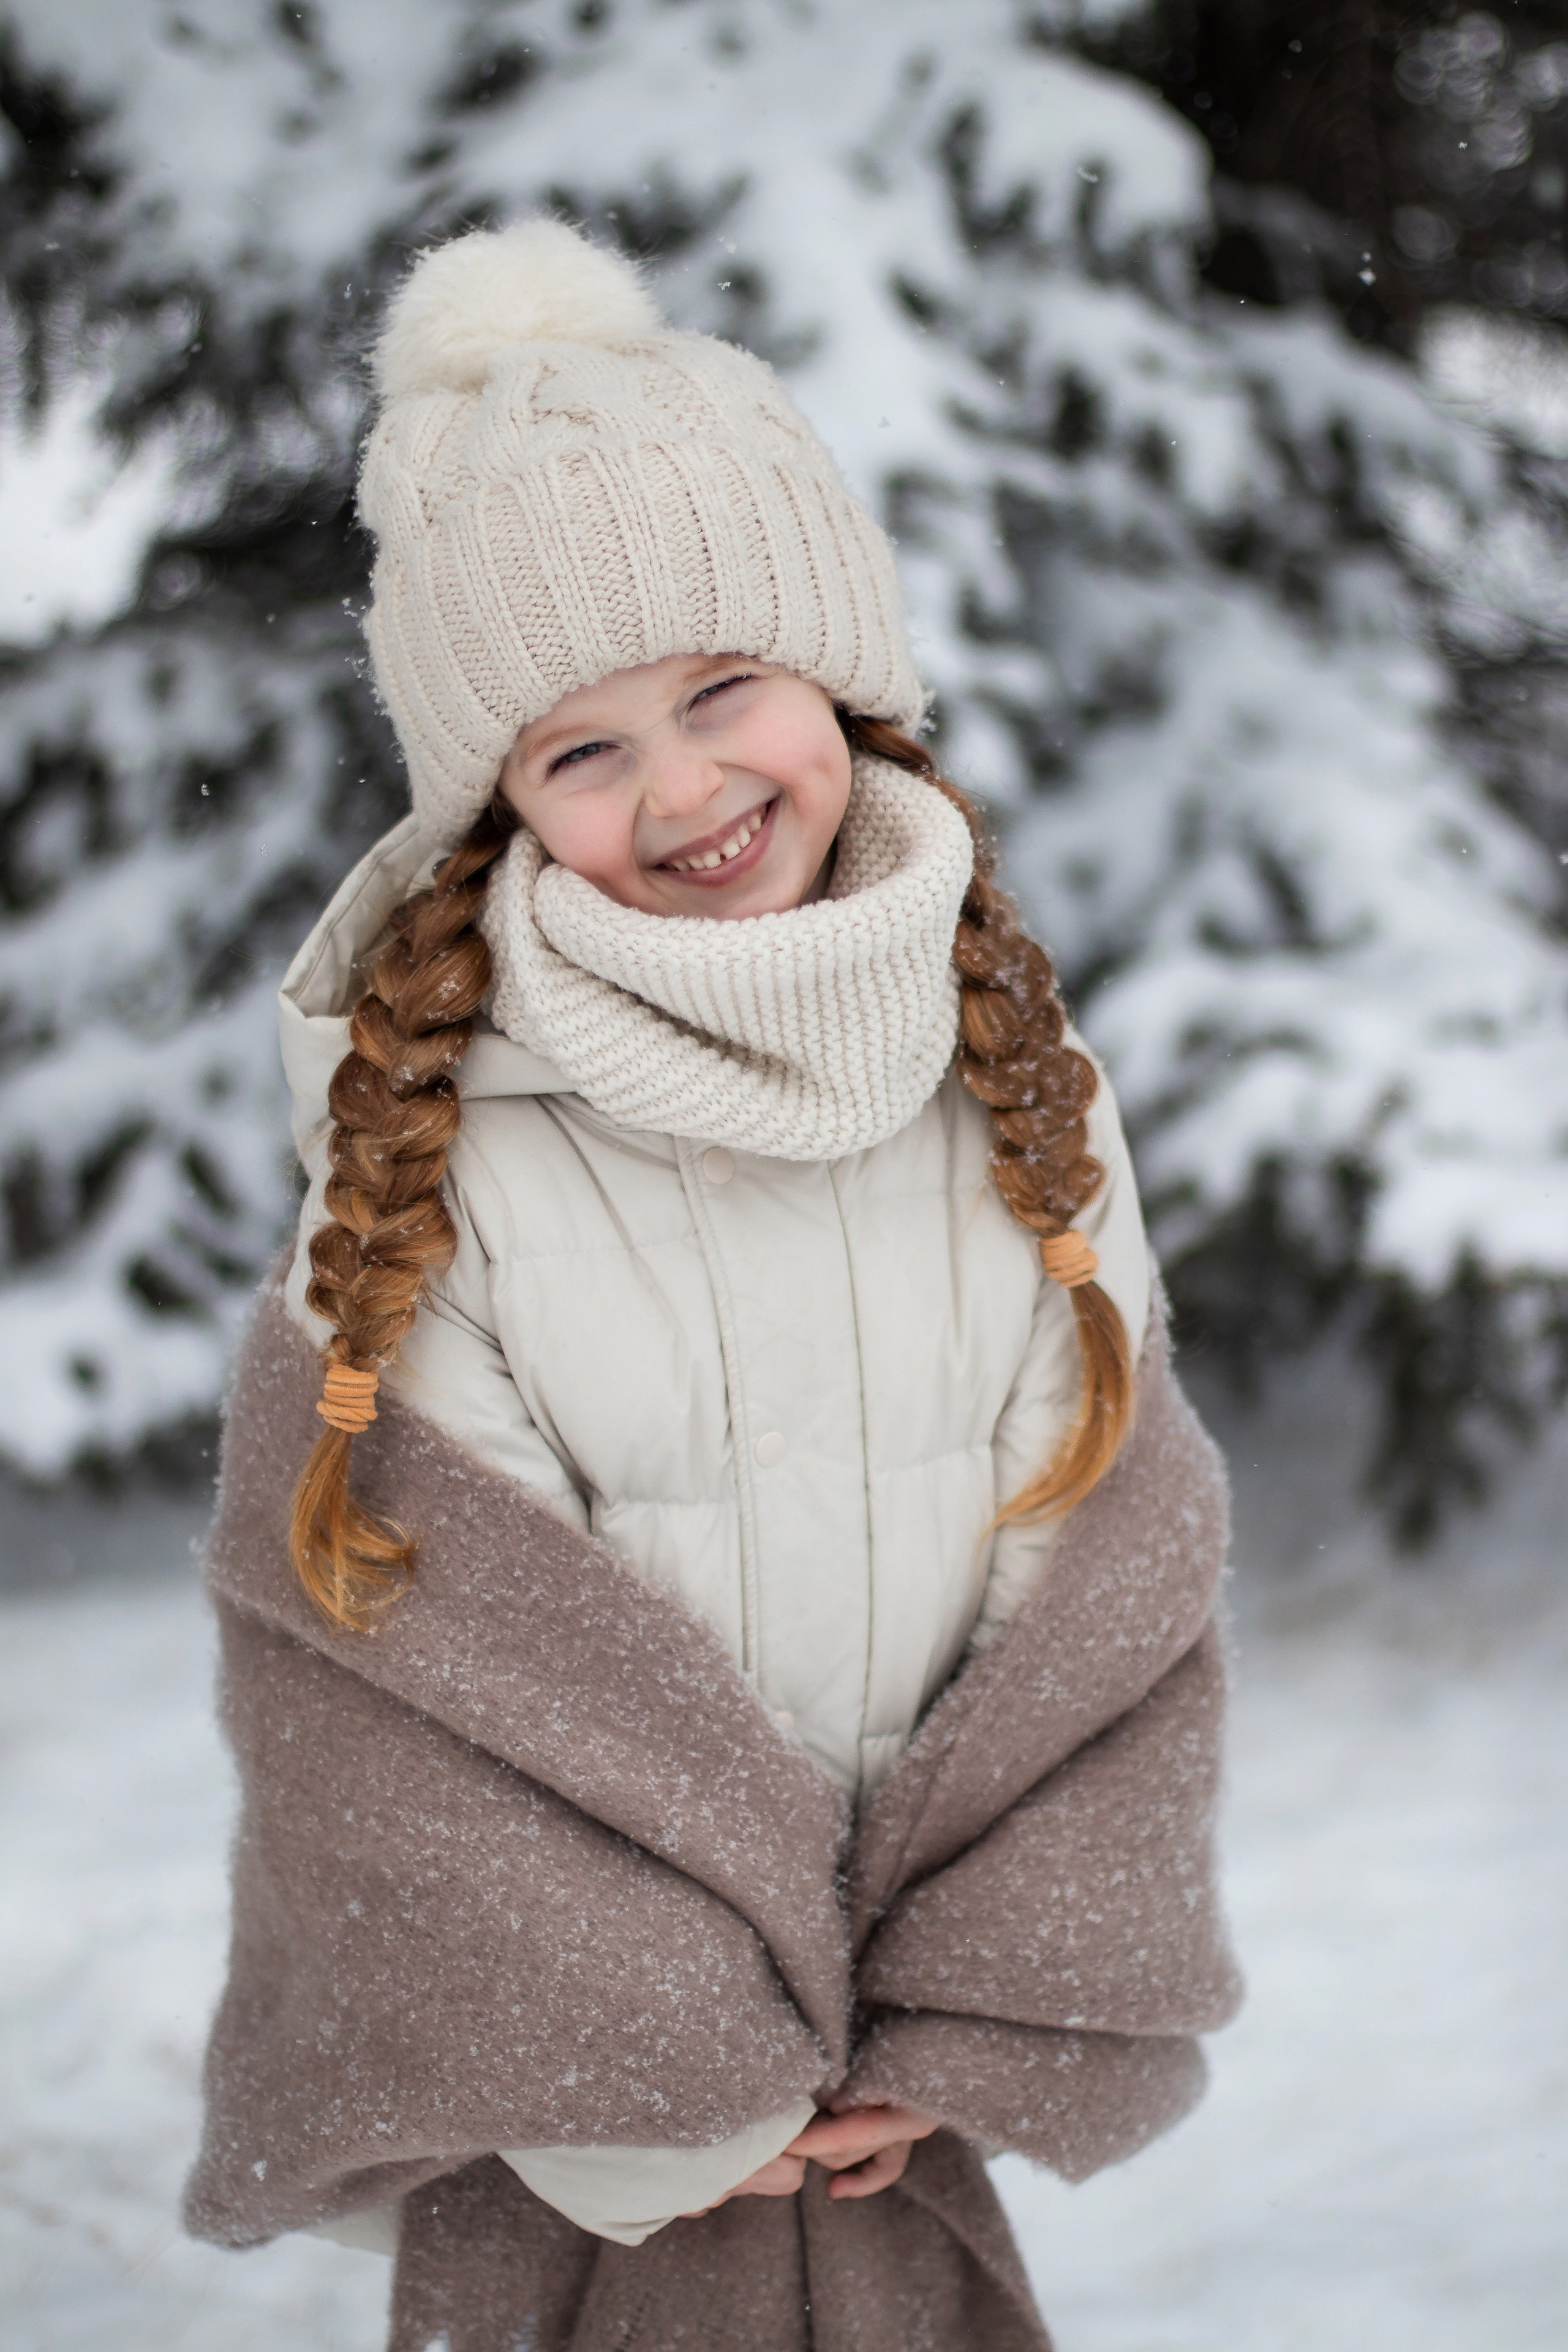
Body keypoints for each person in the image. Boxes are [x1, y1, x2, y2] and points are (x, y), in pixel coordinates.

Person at [184, 219, 1240, 2352]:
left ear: (836, 675)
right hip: (589, 2166)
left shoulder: (1021, 1095)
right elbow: (414, 1681)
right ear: (497, 812)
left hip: (894, 2119)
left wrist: (972, 1999)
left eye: (722, 689)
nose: (682, 790)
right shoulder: (440, 1165)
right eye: (579, 753)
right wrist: (651, 2087)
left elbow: (1109, 1579)